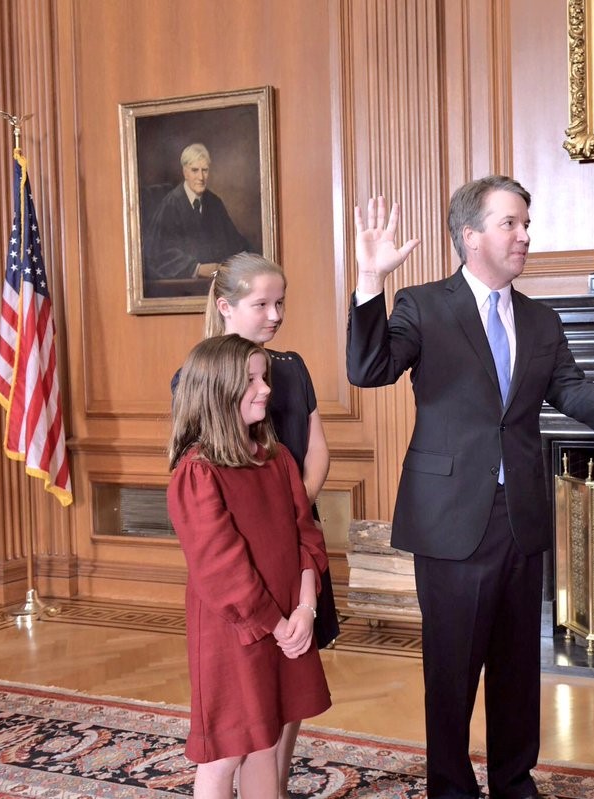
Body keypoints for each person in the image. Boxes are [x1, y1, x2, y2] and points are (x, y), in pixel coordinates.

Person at [345, 177, 594, 799]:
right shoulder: (423, 305)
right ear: (470, 235)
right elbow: (368, 370)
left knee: (517, 665)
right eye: (511, 223)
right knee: (450, 669)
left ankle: (514, 782)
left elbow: (569, 388)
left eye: (527, 223)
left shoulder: (539, 316)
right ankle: (449, 786)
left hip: (520, 512)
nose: (525, 234)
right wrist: (370, 284)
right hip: (450, 516)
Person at [172, 252, 340, 798]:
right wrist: (276, 621)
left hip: (290, 615)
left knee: (268, 741)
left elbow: (305, 534)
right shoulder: (197, 472)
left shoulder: (276, 456)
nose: (267, 390)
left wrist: (305, 609)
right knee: (228, 749)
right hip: (240, 627)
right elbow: (221, 565)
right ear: (219, 391)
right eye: (253, 382)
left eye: (265, 378)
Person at [145, 143, 251, 281]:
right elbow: (159, 253)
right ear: (185, 172)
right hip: (182, 287)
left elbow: (235, 243)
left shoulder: (215, 203)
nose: (201, 177)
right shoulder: (171, 204)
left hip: (215, 282)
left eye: (205, 170)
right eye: (195, 170)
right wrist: (197, 268)